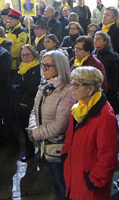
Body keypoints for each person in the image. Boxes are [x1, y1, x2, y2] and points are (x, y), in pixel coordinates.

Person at [62, 66, 118, 200]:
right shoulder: (79, 108)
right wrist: (65, 157)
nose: (72, 88)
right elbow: (69, 139)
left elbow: (108, 156)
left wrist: (92, 181)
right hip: (75, 177)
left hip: (90, 187)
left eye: (77, 84)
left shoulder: (105, 116)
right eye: (72, 83)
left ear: (90, 89)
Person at [27, 50, 75, 200]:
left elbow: (60, 124)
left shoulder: (67, 91)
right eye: (43, 64)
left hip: (57, 148)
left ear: (59, 67)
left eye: (48, 66)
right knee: (54, 181)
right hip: (44, 145)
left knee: (63, 184)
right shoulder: (45, 85)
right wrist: (34, 128)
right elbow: (35, 110)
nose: (44, 68)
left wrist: (35, 133)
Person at [12, 44, 40, 162]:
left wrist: (19, 87)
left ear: (33, 55)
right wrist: (18, 87)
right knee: (24, 128)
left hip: (33, 103)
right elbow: (14, 84)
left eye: (27, 54)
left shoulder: (38, 68)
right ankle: (29, 151)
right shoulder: (21, 67)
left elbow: (32, 88)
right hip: (21, 103)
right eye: (22, 55)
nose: (25, 57)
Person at [93, 31, 119, 113]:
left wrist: (111, 89)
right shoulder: (93, 54)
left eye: (98, 39)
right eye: (94, 38)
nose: (95, 41)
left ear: (105, 41)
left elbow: (117, 75)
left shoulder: (112, 56)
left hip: (108, 90)